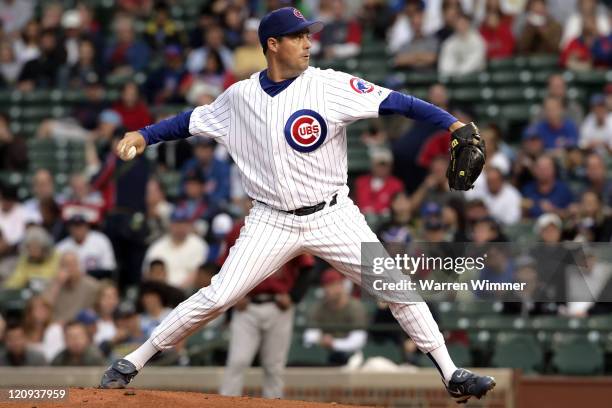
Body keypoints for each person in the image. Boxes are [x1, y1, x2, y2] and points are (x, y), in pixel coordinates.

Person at [100, 7, 495, 403]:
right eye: (298, 36)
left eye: (308, 35)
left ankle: (451, 373)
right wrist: (144, 134)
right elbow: (191, 121)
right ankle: (133, 361)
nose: (308, 43)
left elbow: (400, 103)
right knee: (219, 296)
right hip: (271, 220)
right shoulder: (240, 98)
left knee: (396, 287)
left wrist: (453, 125)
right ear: (273, 45)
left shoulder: (329, 86)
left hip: (334, 215)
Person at [219, 220, 315, 398]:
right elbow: (224, 265)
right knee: (238, 361)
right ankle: (226, 401)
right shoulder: (239, 229)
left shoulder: (292, 228)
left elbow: (307, 268)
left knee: (274, 366)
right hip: (247, 306)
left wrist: (294, 296)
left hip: (278, 306)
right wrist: (233, 296)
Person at [303, 269, 368, 366]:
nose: (329, 289)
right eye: (327, 285)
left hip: (350, 359)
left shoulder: (355, 307)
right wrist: (321, 339)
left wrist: (334, 343)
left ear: (342, 285)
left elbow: (358, 340)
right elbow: (309, 337)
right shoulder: (319, 308)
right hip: (324, 358)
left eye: (334, 285)